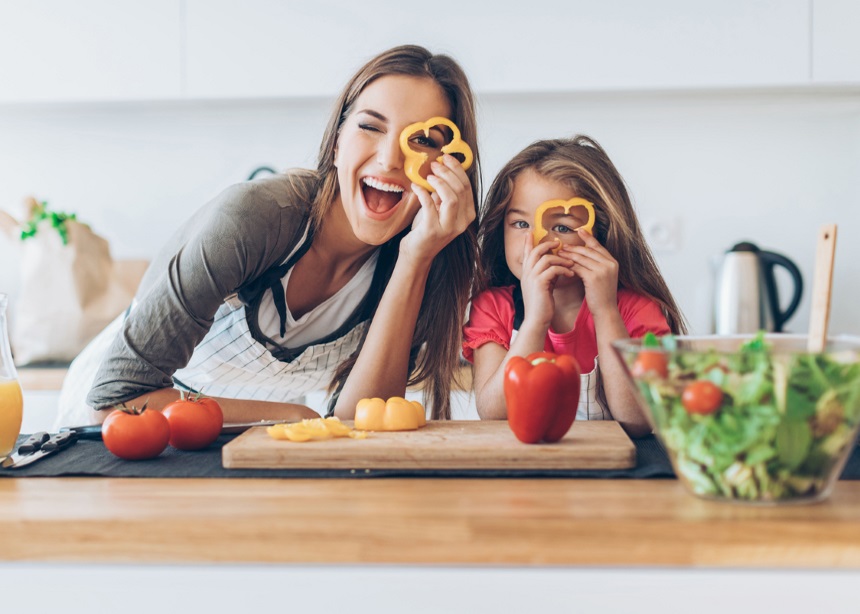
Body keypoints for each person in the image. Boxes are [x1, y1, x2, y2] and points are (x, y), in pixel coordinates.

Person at [54, 45, 480, 429]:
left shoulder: (420, 261)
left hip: (246, 442)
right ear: (336, 144)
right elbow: (116, 399)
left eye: (422, 140)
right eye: (370, 127)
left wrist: (415, 259)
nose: (389, 159)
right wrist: (297, 416)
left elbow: (361, 425)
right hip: (112, 431)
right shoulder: (254, 220)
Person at [462, 135, 685, 437]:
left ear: (602, 233)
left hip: (617, 475)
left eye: (563, 228)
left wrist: (605, 311)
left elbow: (638, 420)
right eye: (521, 224)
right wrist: (536, 320)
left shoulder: (636, 311)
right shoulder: (493, 308)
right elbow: (493, 412)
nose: (537, 241)